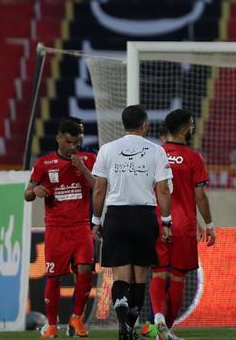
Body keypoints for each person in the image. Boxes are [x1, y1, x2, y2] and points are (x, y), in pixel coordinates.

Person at [90, 105, 173, 340]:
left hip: (116, 216)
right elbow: (164, 190)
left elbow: (98, 189)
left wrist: (96, 220)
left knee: (120, 277)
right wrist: (166, 222)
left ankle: (124, 327)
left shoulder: (107, 150)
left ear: (123, 125)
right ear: (144, 125)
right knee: (139, 278)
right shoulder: (156, 150)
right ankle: (129, 328)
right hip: (144, 217)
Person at [27, 118, 95, 339]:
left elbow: (100, 187)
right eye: (69, 142)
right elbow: (26, 194)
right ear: (58, 138)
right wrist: (35, 191)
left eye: (78, 141)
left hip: (82, 226)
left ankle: (76, 318)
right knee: (54, 277)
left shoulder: (88, 159)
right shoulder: (44, 163)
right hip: (56, 230)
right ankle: (53, 325)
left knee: (85, 269)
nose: (74, 146)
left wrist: (83, 169)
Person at [150, 109, 215, 340]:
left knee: (158, 274)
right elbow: (199, 196)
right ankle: (165, 331)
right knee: (177, 278)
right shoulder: (193, 157)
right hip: (184, 225)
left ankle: (157, 316)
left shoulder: (154, 153)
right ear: (186, 128)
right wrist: (208, 223)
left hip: (157, 222)